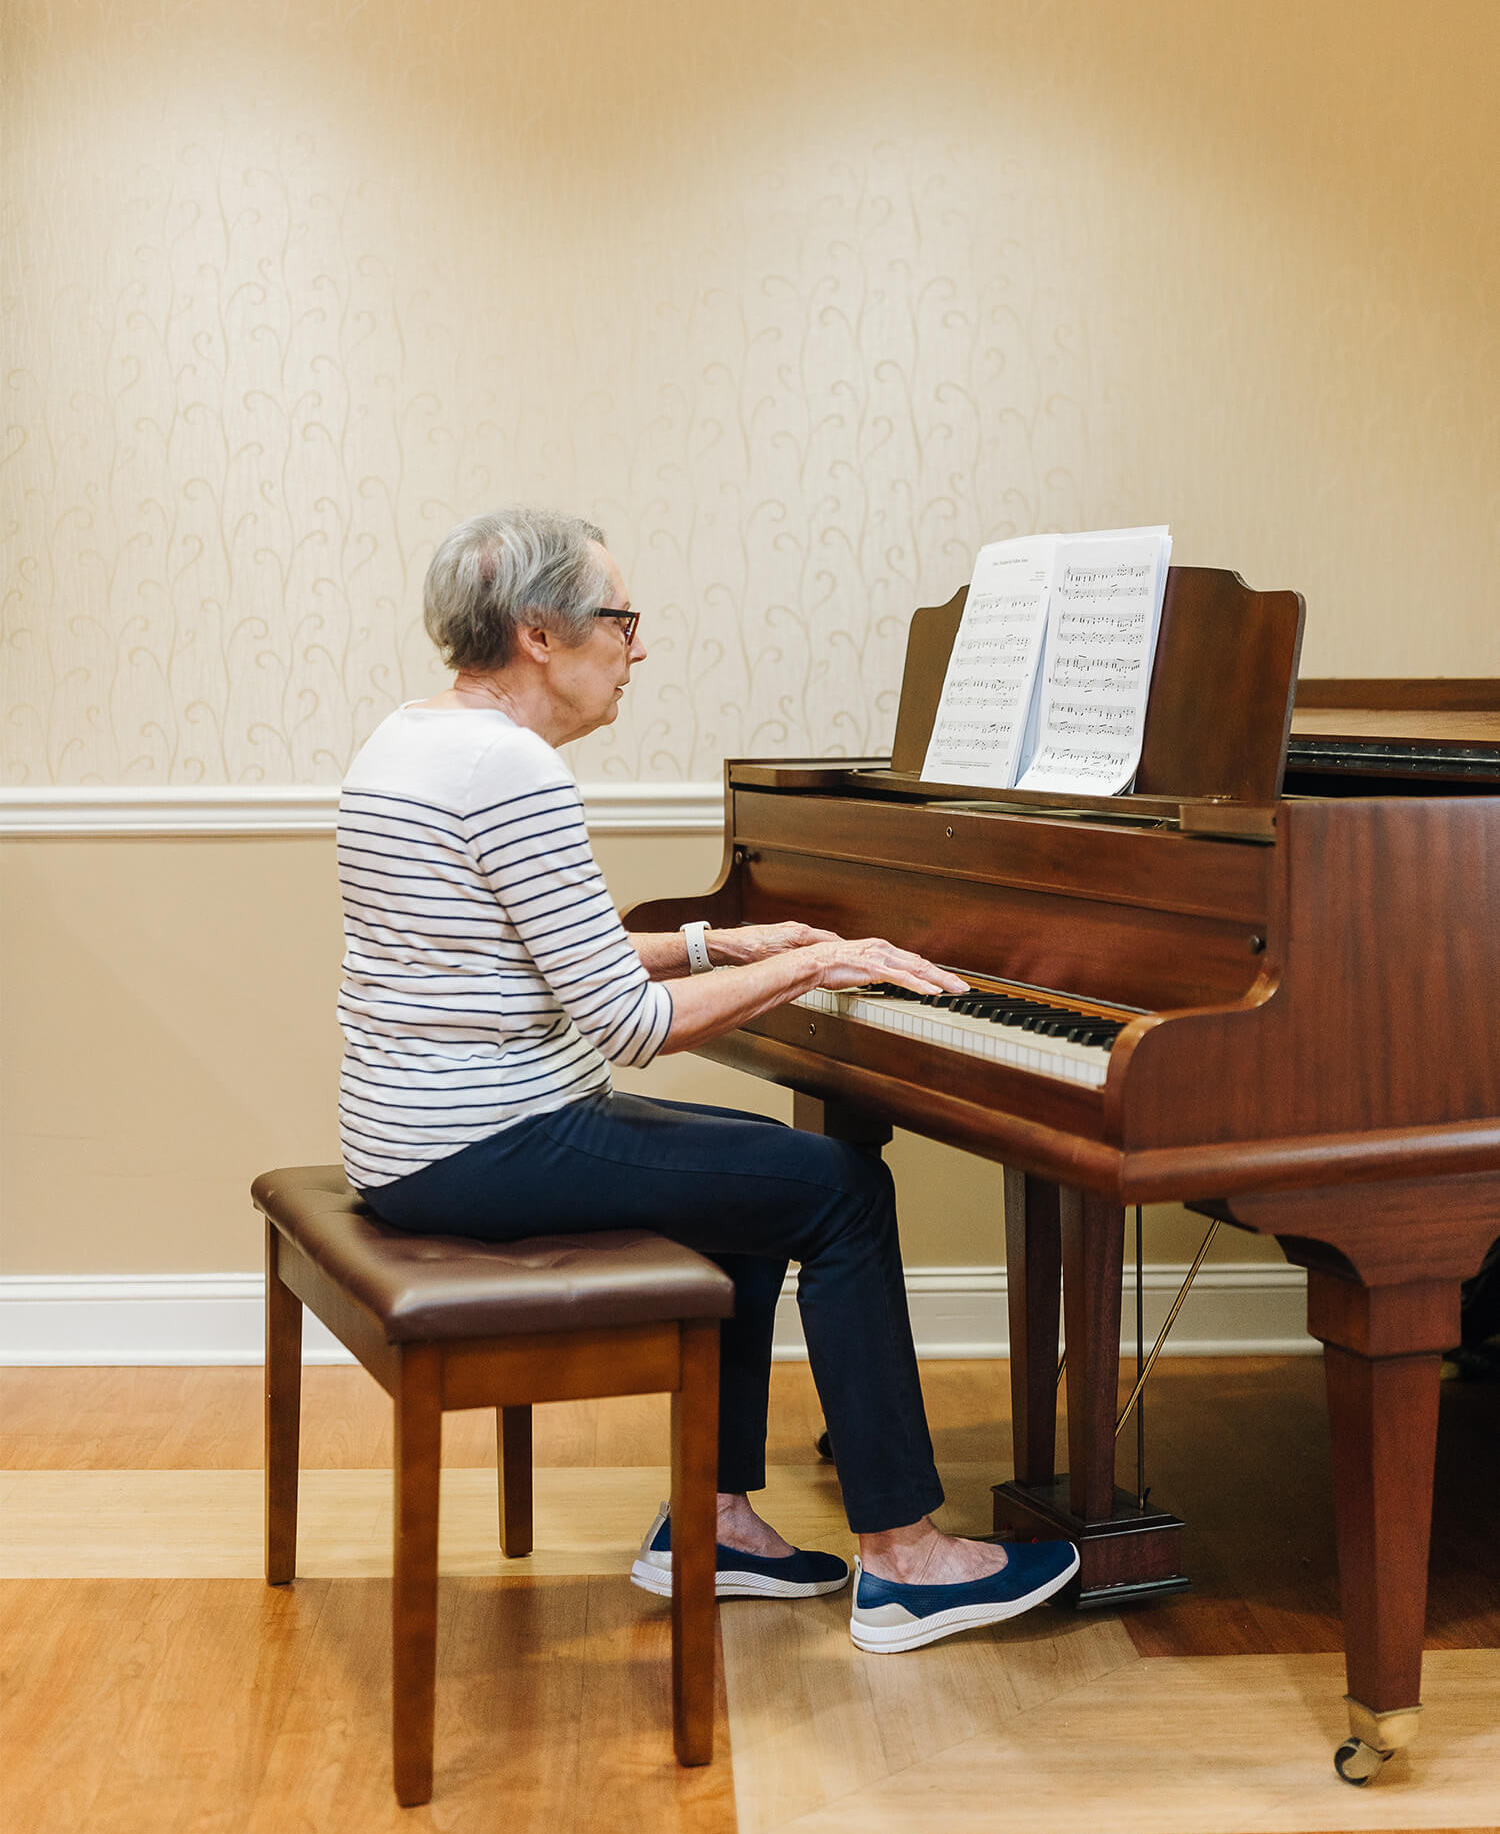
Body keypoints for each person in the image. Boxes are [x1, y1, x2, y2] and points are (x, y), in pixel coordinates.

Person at [338, 507, 1078, 1651]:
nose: (637, 647)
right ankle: (909, 1556)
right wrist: (816, 958)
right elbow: (628, 1027)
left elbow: (518, 955)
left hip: (410, 1140)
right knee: (837, 1186)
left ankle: (716, 1517)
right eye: (618, 619)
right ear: (540, 632)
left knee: (743, 1197)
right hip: (487, 1143)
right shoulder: (509, 768)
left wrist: (716, 943)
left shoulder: (409, 739)